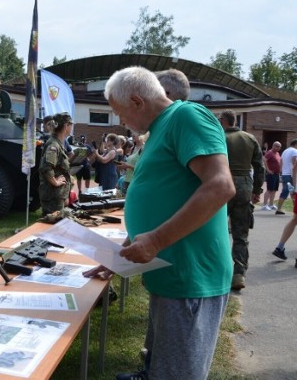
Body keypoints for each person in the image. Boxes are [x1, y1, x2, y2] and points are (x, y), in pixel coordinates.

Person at [85, 66, 235, 380]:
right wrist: (119, 258)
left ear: (137, 102)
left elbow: (220, 185)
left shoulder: (187, 117)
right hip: (169, 269)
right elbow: (166, 195)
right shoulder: (160, 129)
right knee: (161, 362)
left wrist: (155, 240)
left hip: (190, 274)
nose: (120, 121)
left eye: (119, 113)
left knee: (177, 373)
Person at [218, 110, 264, 290]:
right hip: (244, 187)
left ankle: (218, 270)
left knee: (217, 230)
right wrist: (257, 190)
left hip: (221, 185)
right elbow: (260, 167)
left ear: (223, 121)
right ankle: (239, 274)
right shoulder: (250, 138)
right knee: (241, 234)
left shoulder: (218, 137)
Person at [38, 112, 74, 215]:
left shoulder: (58, 143)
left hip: (57, 194)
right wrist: (55, 182)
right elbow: (46, 167)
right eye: (71, 125)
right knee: (52, 226)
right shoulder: (54, 145)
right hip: (52, 195)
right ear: (66, 125)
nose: (71, 127)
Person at [274, 139, 297, 215]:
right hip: (290, 174)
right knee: (289, 191)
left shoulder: (285, 151)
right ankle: (279, 209)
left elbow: (281, 161)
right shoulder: (294, 151)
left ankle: (281, 209)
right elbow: (294, 164)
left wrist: (281, 171)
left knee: (289, 192)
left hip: (285, 173)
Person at [262, 141, 282, 210]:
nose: (278, 148)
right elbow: (264, 159)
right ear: (273, 146)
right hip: (271, 174)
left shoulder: (277, 153)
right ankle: (264, 205)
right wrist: (268, 170)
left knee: (274, 190)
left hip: (277, 174)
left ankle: (271, 204)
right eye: (276, 146)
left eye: (279, 147)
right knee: (269, 189)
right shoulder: (270, 153)